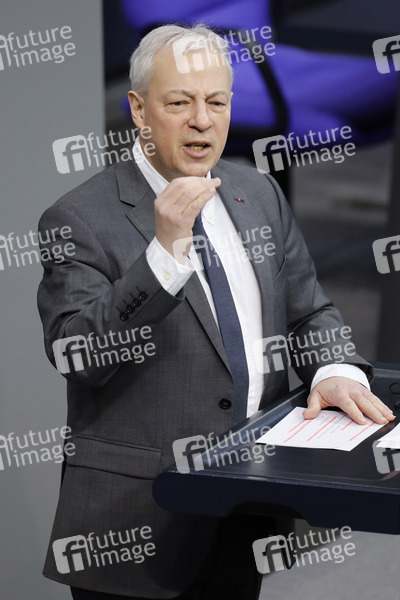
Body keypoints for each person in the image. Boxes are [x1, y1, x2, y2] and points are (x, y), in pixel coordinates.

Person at [37, 23, 394, 600]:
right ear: (139, 110)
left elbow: (308, 311)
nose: (202, 121)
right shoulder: (78, 219)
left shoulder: (258, 194)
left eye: (217, 102)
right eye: (179, 103)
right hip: (135, 522)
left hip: (243, 502)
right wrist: (163, 256)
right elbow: (80, 357)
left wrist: (332, 370)